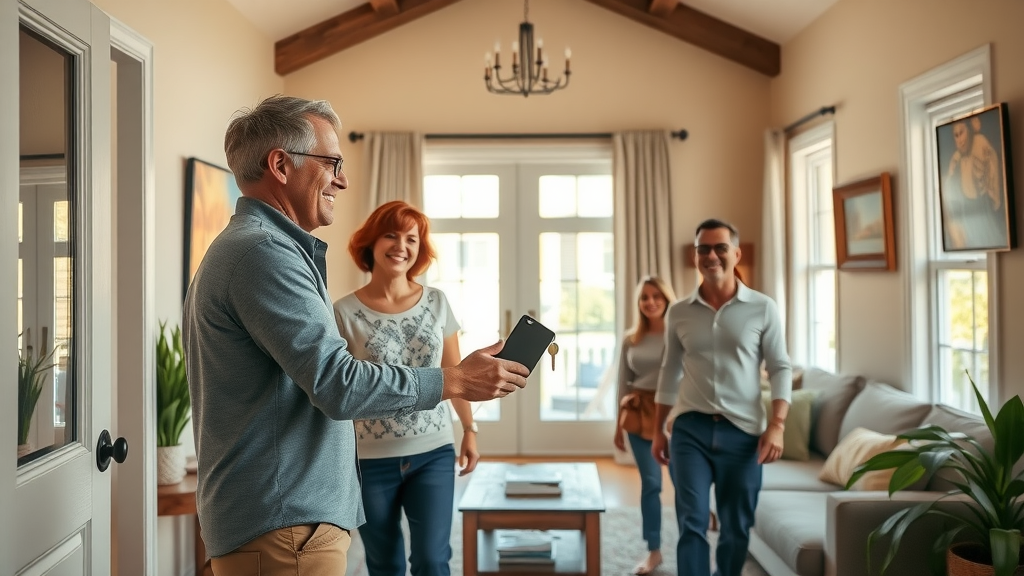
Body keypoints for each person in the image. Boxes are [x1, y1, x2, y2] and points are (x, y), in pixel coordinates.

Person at [182, 95, 529, 576]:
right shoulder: (264, 255)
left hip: (291, 519)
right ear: (280, 165)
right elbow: (338, 383)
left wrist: (464, 415)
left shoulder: (262, 248)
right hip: (287, 526)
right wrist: (454, 381)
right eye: (333, 163)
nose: (342, 179)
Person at [333, 200, 478, 576]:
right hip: (368, 460)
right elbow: (340, 388)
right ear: (371, 243)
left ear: (419, 249)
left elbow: (454, 373)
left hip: (433, 451)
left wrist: (470, 429)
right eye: (391, 235)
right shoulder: (343, 312)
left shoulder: (437, 301)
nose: (401, 246)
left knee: (432, 560)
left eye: (411, 238)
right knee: (385, 565)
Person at [651, 219, 792, 576]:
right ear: (695, 255)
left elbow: (780, 368)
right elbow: (670, 370)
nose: (711, 255)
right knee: (692, 522)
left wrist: (777, 425)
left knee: (735, 528)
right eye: (703, 249)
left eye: (720, 248)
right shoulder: (679, 311)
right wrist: (658, 430)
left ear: (736, 253)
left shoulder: (763, 307)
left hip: (744, 434)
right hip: (689, 430)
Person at [613, 275, 678, 575]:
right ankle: (654, 550)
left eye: (657, 297)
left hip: (675, 415)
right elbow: (622, 384)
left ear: (666, 299)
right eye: (644, 298)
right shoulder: (631, 338)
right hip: (638, 415)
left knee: (683, 484)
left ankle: (695, 540)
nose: (650, 302)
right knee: (651, 484)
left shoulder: (679, 333)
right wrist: (617, 427)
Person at [942, 116, 1006, 250]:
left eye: (962, 132)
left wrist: (993, 194)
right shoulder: (956, 158)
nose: (960, 140)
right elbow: (947, 188)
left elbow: (994, 167)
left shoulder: (980, 143)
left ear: (969, 131)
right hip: (967, 212)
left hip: (984, 206)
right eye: (956, 136)